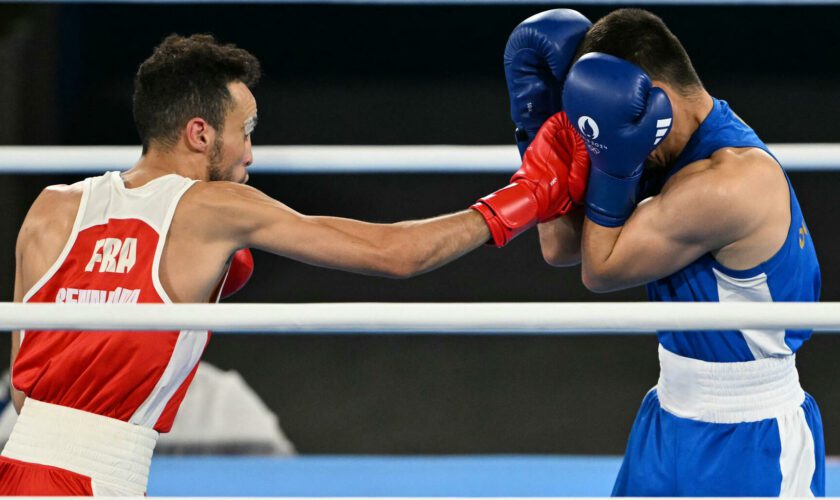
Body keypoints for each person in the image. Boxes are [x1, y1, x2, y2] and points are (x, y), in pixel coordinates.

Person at [3, 34, 589, 496]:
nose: (252, 152)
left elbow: (27, 395)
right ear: (199, 133)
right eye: (246, 131)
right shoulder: (213, 207)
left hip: (15, 467)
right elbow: (394, 253)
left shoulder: (51, 209)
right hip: (94, 482)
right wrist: (523, 199)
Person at [547, 8, 822, 496]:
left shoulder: (729, 181)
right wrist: (534, 125)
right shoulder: (660, 144)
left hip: (751, 437)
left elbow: (601, 268)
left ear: (651, 98)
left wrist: (611, 170)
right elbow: (561, 246)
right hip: (666, 415)